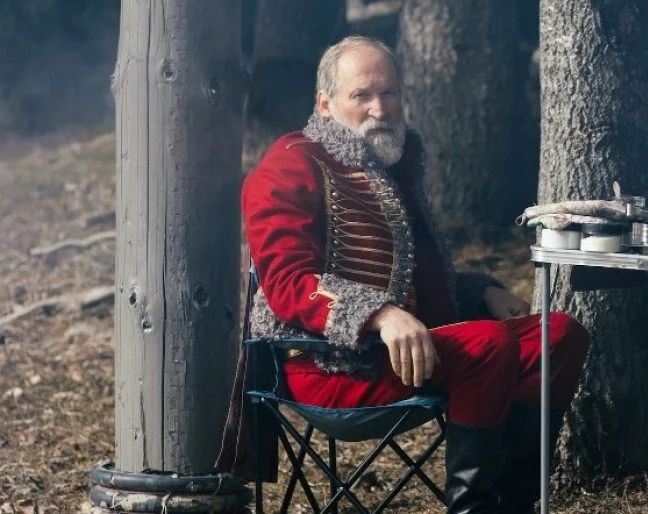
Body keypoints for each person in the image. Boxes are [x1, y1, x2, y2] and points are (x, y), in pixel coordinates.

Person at [242, 35, 590, 514]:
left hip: (409, 352)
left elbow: (408, 278)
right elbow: (286, 284)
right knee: (489, 344)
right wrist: (380, 315)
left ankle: (513, 503)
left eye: (389, 93)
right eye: (362, 95)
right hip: (332, 366)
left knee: (559, 335)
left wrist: (480, 291)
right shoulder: (291, 163)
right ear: (325, 105)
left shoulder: (392, 161)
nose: (380, 109)